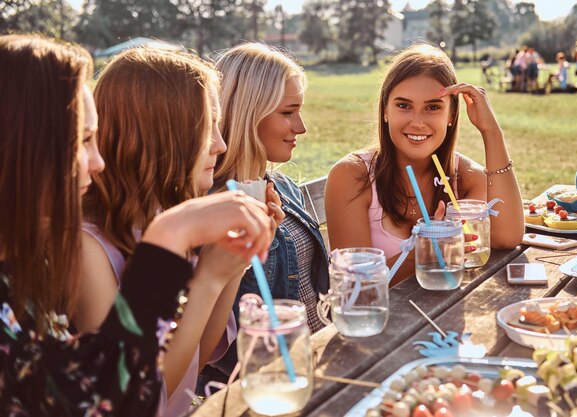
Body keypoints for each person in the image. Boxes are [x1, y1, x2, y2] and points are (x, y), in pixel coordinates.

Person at [0, 34, 273, 415]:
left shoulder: (19, 276)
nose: (98, 162)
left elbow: (195, 355)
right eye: (83, 140)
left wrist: (225, 264)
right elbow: (122, 402)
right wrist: (170, 243)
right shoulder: (78, 246)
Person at [75, 48, 282, 416]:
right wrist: (206, 280)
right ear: (159, 134)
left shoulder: (167, 216)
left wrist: (232, 264)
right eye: (208, 126)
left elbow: (197, 357)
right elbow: (137, 397)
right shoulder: (89, 248)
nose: (220, 144)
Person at [325, 43, 524, 284]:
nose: (417, 122)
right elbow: (355, 285)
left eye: (432, 107)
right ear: (385, 110)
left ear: (451, 115)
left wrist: (491, 131)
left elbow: (508, 236)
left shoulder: (465, 177)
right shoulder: (351, 175)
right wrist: (427, 249)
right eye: (404, 106)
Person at [206, 43, 330, 378]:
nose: (300, 127)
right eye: (288, 112)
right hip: (265, 382)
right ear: (249, 113)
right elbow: (213, 345)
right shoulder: (208, 211)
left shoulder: (285, 190)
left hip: (320, 362)